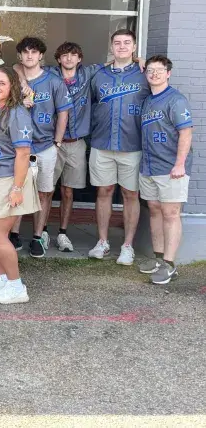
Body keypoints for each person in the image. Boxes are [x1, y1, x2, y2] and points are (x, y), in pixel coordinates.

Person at [0, 67, 39, 305]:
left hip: (7, 179)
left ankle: (16, 286)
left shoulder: (17, 112)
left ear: (12, 86)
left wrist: (17, 188)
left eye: (2, 83)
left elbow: (23, 153)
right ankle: (3, 278)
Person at [87, 29, 149, 265]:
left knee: (130, 194)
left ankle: (127, 246)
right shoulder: (99, 75)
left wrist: (142, 62)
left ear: (134, 47)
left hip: (132, 144)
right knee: (103, 192)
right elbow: (90, 103)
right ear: (111, 47)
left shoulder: (144, 74)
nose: (122, 46)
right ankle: (102, 242)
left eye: (126, 42)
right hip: (102, 143)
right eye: (117, 43)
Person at [10, 37, 71, 258]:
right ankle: (14, 233)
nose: (29, 56)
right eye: (25, 52)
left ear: (41, 55)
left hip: (45, 145)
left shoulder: (53, 81)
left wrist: (57, 142)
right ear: (20, 55)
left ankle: (37, 236)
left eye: (34, 52)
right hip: (19, 147)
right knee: (17, 189)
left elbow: (63, 112)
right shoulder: (12, 79)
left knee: (44, 193)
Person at [137, 56, 193, 285]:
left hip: (171, 167)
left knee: (170, 213)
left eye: (160, 70)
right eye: (150, 70)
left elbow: (186, 132)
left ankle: (169, 264)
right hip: (149, 166)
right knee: (154, 211)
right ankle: (159, 258)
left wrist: (180, 164)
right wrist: (138, 59)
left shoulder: (176, 100)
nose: (154, 74)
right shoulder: (148, 101)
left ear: (168, 73)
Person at [44, 42, 101, 251]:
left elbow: (114, 63)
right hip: (52, 142)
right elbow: (19, 67)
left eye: (73, 55)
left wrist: (138, 59)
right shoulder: (49, 74)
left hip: (76, 143)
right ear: (58, 59)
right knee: (46, 190)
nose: (69, 58)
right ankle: (41, 232)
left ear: (79, 58)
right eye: (65, 55)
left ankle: (63, 234)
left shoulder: (87, 73)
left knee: (68, 191)